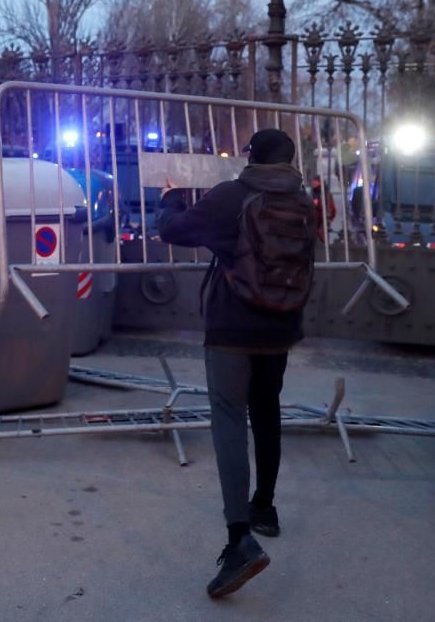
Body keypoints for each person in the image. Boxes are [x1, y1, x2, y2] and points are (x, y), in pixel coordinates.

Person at [156, 129, 309, 598]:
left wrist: (170, 199)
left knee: (228, 420)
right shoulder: (303, 202)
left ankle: (239, 538)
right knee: (267, 413)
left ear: (250, 158)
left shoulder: (232, 195)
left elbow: (173, 231)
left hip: (231, 327)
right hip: (280, 326)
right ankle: (265, 506)